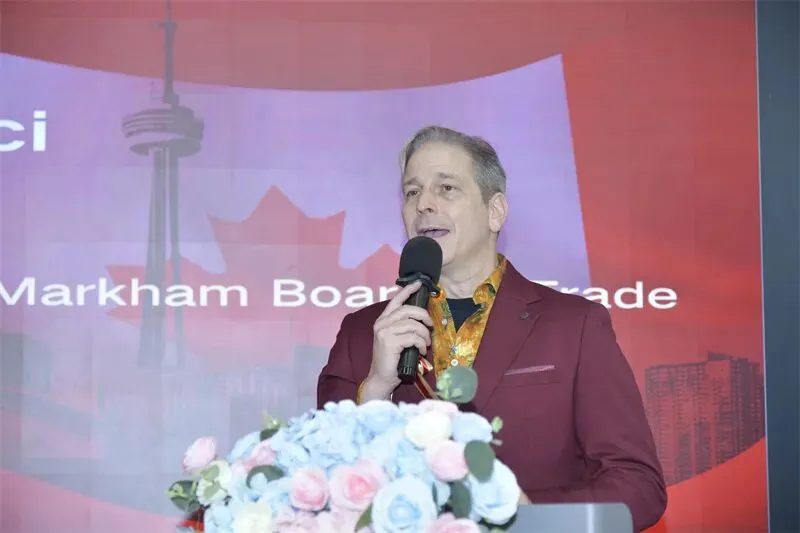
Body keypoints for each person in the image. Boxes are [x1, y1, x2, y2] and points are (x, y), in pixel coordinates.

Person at [317, 125, 667, 531]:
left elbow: (638, 485)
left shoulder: (574, 325)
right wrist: (377, 387)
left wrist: (527, 515)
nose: (424, 204)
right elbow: (321, 484)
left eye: (446, 188)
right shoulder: (364, 332)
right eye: (412, 192)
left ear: (495, 211)